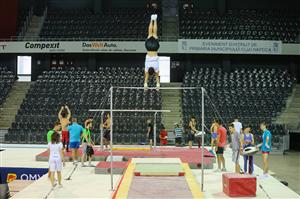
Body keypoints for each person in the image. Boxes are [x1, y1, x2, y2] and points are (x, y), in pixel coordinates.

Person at [144, 14, 160, 89]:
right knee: (150, 34)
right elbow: (146, 79)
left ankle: (155, 19)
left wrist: (158, 85)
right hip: (149, 48)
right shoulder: (147, 68)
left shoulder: (156, 68)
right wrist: (145, 84)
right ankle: (151, 19)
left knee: (155, 34)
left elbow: (157, 78)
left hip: (155, 49)